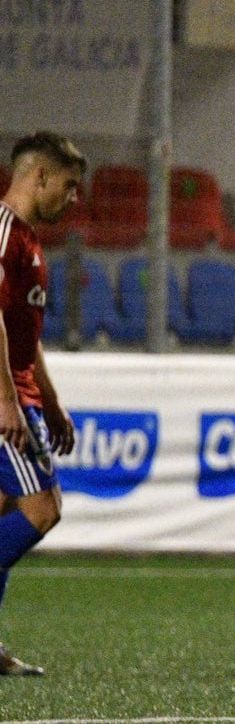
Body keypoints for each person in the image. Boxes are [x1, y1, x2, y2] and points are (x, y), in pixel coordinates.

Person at [0, 132, 87, 678]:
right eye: (70, 186)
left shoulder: (29, 243)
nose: (74, 198)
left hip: (21, 393)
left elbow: (24, 336)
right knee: (42, 507)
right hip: (3, 399)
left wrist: (51, 405)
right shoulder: (4, 232)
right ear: (40, 177)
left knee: (9, 510)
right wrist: (6, 399)